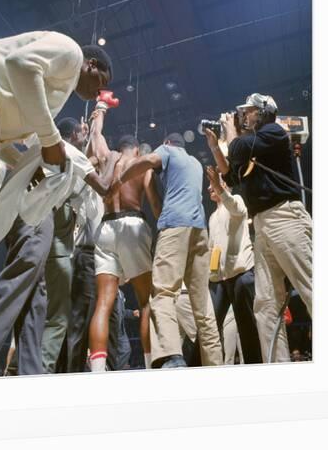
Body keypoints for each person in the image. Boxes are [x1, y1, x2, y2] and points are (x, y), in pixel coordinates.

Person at [0, 30, 112, 303]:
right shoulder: (71, 51)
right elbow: (21, 64)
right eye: (101, 82)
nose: (98, 91)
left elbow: (5, 135)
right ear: (91, 65)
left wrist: (24, 165)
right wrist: (51, 140)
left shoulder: (58, 90)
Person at [0, 116, 119, 378]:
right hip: (36, 218)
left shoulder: (49, 146)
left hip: (22, 217)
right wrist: (112, 159)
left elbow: (13, 142)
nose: (85, 132)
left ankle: (30, 373)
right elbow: (103, 186)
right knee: (13, 288)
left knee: (37, 302)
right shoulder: (70, 153)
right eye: (81, 131)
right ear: (75, 136)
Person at [207, 93, 312, 362]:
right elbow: (231, 174)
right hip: (264, 224)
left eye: (250, 111)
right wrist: (216, 147)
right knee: (265, 303)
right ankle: (278, 368)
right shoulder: (253, 145)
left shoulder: (274, 132)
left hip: (285, 217)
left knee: (310, 285)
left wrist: (231, 132)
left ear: (264, 112)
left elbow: (239, 149)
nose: (244, 115)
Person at [109, 133, 222, 368]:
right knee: (202, 305)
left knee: (162, 294)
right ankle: (215, 364)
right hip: (199, 230)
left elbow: (148, 160)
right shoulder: (195, 162)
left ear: (168, 143)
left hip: (175, 226)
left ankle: (172, 357)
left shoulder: (167, 150)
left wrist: (121, 177)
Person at [41, 118, 120, 373]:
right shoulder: (86, 180)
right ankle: (69, 374)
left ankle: (68, 370)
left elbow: (92, 150)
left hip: (91, 257)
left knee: (79, 321)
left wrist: (97, 120)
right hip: (85, 255)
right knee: (77, 322)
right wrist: (112, 158)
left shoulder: (79, 172)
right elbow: (98, 158)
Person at [87, 105, 162, 372]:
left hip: (105, 228)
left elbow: (96, 135)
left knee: (104, 302)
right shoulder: (141, 165)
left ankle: (97, 371)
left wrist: (100, 111)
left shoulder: (107, 158)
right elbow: (155, 206)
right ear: (138, 150)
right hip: (133, 225)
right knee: (146, 301)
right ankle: (151, 365)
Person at [204, 166, 262, 364]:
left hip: (240, 274)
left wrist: (220, 189)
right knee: (209, 325)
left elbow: (236, 209)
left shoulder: (236, 200)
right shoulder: (212, 217)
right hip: (218, 279)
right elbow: (212, 249)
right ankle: (196, 366)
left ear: (224, 183)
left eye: (213, 183)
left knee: (247, 329)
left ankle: (256, 368)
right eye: (209, 185)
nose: (209, 188)